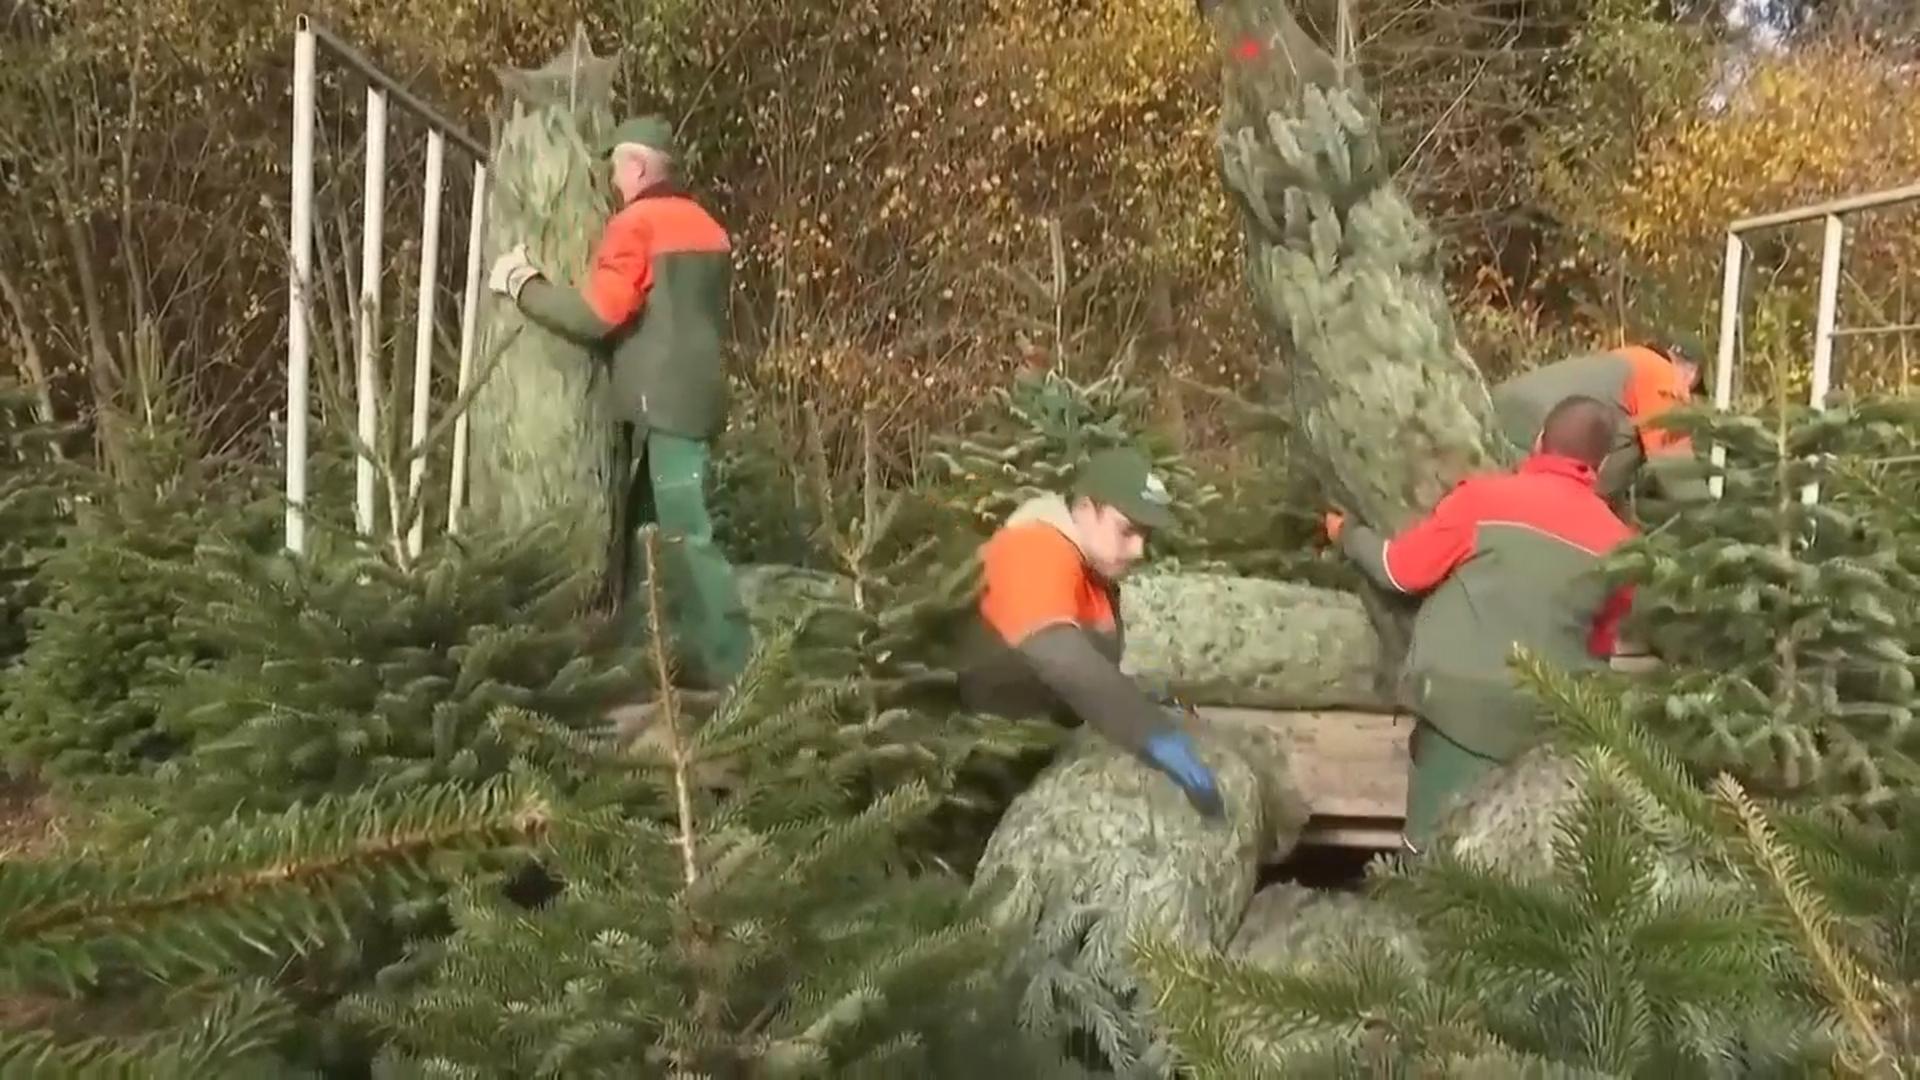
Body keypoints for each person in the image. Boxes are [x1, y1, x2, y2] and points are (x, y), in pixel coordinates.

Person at [487, 114, 750, 689]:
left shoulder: (637, 225)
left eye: (616, 169)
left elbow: (598, 315)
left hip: (663, 406)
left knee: (687, 536)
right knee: (644, 535)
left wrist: (524, 284)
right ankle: (643, 656)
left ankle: (739, 671)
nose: (612, 182)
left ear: (637, 167)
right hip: (695, 398)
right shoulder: (707, 227)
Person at [1324, 396, 1638, 848]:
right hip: (1547, 723)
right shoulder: (1622, 546)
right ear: (1602, 464)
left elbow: (1400, 572)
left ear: (1538, 441)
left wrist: (1348, 534)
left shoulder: (1482, 499)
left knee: (1432, 849)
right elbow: (1602, 645)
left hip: (1458, 705)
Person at [955, 446, 1225, 817]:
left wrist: (1128, 693)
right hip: (978, 770)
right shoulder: (1033, 547)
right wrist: (1149, 729)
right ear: (1085, 509)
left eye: (1145, 535)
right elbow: (1060, 657)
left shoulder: (1094, 576)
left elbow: (1082, 673)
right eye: (1127, 530)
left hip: (1033, 753)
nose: (1138, 549)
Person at [1490, 335, 1711, 504]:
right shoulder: (1661, 375)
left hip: (1493, 420)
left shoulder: (1625, 361)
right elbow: (1677, 472)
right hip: (1530, 447)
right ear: (1691, 374)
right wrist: (1716, 530)